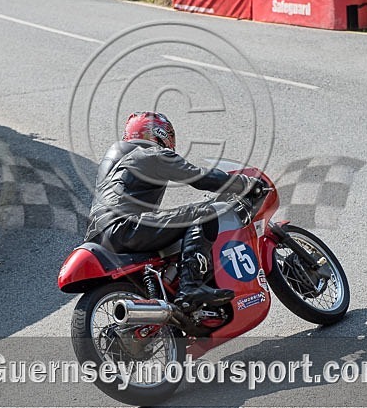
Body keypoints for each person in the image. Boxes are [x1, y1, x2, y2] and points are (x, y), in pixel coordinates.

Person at [84, 111, 266, 311]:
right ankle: (190, 286)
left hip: (98, 236)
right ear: (160, 134)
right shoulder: (151, 153)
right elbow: (199, 177)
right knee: (205, 213)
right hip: (126, 226)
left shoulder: (112, 162)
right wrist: (245, 184)